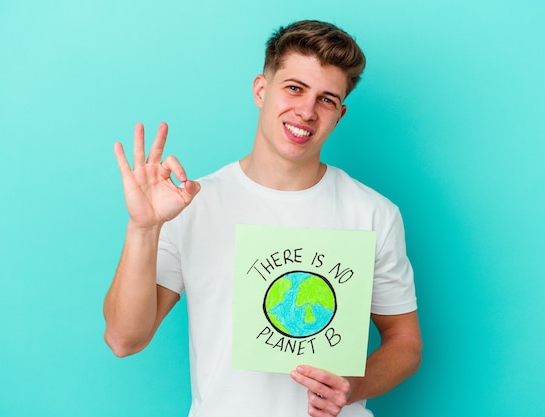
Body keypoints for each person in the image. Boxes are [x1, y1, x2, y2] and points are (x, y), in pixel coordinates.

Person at [104, 20, 422, 417]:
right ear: (261, 89)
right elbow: (124, 339)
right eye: (294, 88)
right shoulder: (192, 204)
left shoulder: (373, 213)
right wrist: (143, 228)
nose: (306, 111)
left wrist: (355, 386)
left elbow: (404, 341)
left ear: (339, 114)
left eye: (326, 99)